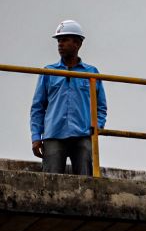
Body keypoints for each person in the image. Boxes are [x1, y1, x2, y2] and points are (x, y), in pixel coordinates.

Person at [30, 20, 108, 175]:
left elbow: (101, 106)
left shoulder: (91, 73)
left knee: (85, 180)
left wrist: (96, 127)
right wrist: (35, 136)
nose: (60, 44)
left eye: (65, 40)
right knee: (51, 181)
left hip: (82, 134)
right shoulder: (49, 72)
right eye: (59, 41)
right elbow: (38, 107)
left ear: (78, 43)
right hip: (54, 134)